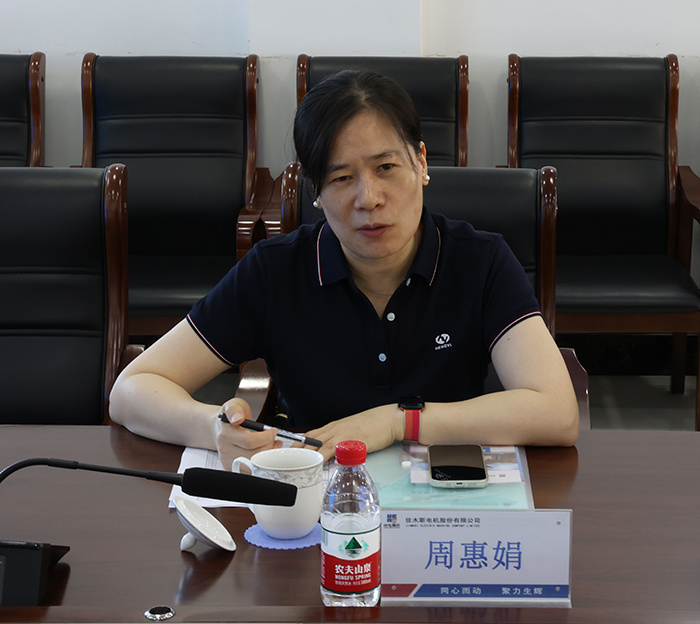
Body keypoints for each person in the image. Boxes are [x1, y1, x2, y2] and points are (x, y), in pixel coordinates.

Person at [110, 70, 578, 468]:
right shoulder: (275, 272)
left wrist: (398, 421)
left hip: (444, 498)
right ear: (316, 192)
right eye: (341, 178)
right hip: (314, 505)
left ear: (421, 163)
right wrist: (213, 428)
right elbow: (131, 390)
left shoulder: (481, 261)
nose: (368, 198)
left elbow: (557, 411)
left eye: (386, 167)